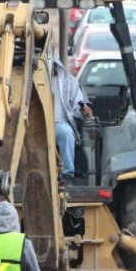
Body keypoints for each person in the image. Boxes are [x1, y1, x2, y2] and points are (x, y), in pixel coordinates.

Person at [52, 58, 92, 186]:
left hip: (58, 123)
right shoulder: (30, 81)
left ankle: (67, 174)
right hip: (35, 124)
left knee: (66, 133)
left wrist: (83, 110)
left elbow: (77, 106)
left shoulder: (68, 81)